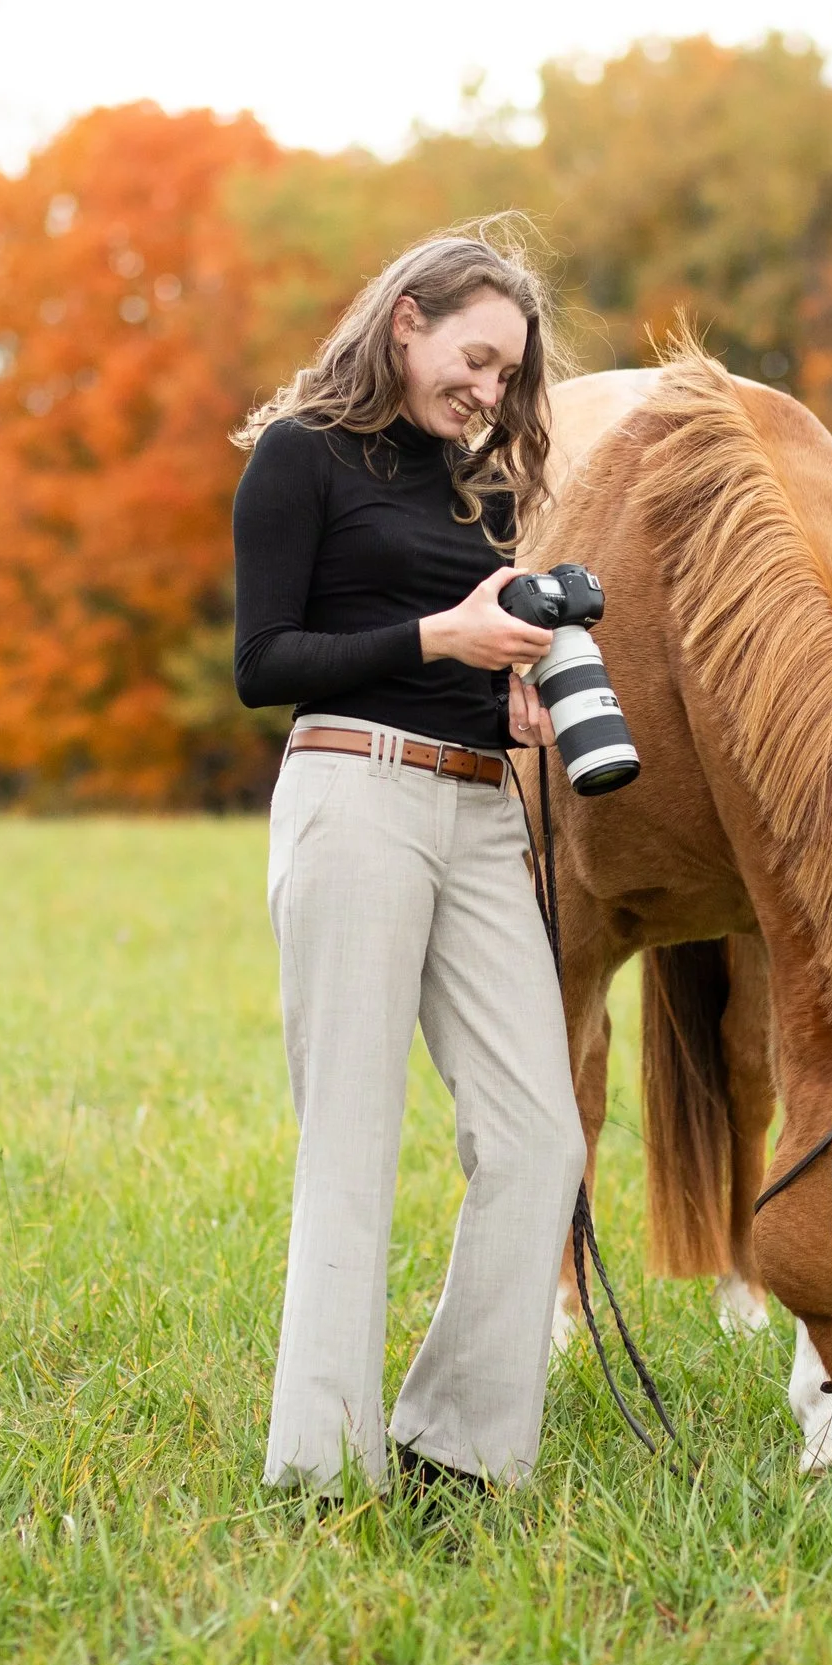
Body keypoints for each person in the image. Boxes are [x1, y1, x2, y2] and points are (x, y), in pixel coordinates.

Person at [230, 223, 587, 1499]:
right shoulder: (299, 459)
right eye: (476, 360)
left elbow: (454, 655)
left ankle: (459, 1450)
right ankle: (322, 1468)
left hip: (482, 810)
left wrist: (511, 694)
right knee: (353, 1138)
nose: (488, 394)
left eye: (506, 378)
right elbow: (261, 664)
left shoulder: (474, 489)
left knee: (541, 1138)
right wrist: (442, 635)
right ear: (407, 322)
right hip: (353, 797)